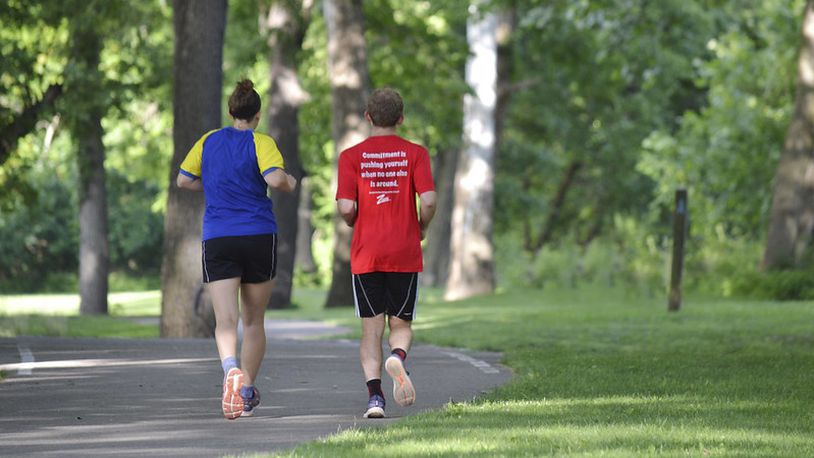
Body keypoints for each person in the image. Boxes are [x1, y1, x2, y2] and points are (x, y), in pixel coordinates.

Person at [176, 79, 297, 420]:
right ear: (257, 115)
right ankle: (244, 392)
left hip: (219, 238)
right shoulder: (262, 142)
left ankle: (230, 369)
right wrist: (291, 181)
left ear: (231, 112)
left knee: (226, 321)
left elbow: (183, 180)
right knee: (254, 320)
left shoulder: (208, 141)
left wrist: (214, 186)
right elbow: (275, 179)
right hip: (258, 235)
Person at [335, 88, 437, 418]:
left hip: (367, 253)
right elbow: (430, 200)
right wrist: (421, 226)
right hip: (404, 250)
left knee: (370, 329)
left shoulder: (351, 157)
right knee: (401, 323)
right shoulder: (416, 153)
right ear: (401, 119)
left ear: (368, 117)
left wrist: (353, 219)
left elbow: (346, 206)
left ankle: (375, 398)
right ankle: (398, 357)